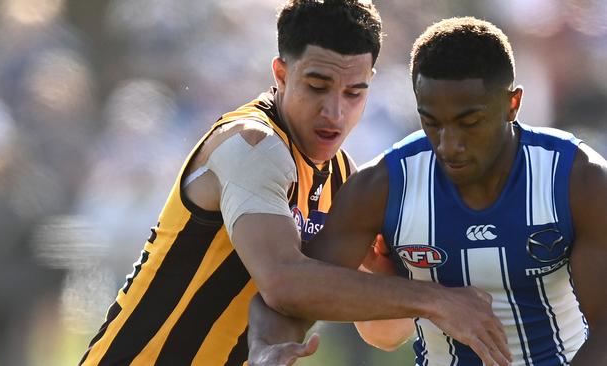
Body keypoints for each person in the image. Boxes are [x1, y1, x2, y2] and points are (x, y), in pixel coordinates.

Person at [80, 2, 509, 364]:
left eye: (353, 93)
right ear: (281, 73)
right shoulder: (252, 144)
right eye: (317, 86)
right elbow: (283, 282)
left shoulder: (343, 177)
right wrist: (435, 300)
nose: (335, 113)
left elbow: (384, 333)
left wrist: (395, 279)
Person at [248, 16, 607, 365]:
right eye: (432, 122)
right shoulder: (384, 186)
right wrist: (266, 346)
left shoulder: (578, 180)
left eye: (469, 123)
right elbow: (293, 293)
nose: (450, 145)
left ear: (512, 104)